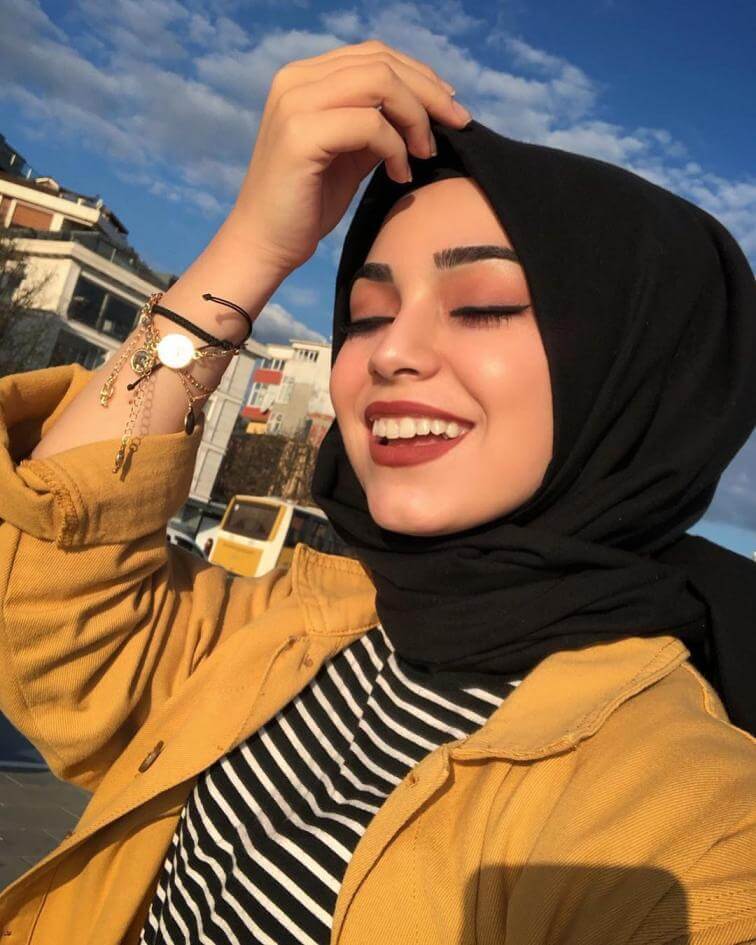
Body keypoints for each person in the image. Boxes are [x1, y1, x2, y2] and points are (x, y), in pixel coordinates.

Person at [0, 38, 754, 945]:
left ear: (639, 375)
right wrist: (251, 247)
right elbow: (49, 593)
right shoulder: (298, 624)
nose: (390, 351)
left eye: (482, 305)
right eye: (366, 314)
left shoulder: (689, 831)